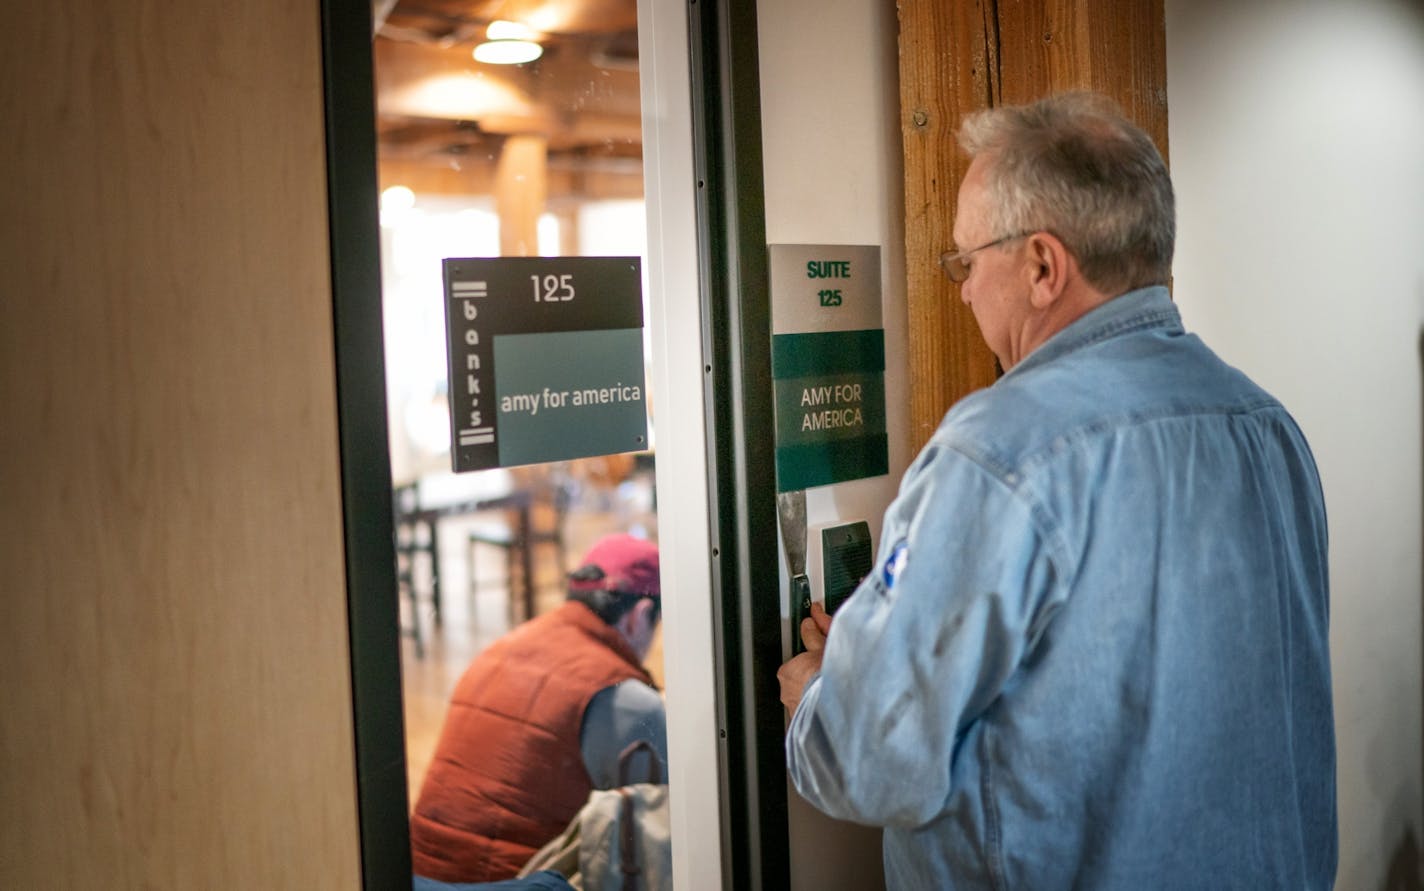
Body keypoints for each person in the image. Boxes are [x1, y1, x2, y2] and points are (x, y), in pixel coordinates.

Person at [777, 91, 1335, 889]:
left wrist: (820, 698)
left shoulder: (997, 451)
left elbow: (870, 760)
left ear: (1041, 265)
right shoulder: (1267, 427)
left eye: (968, 262)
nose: (964, 291)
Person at [412, 533, 666, 884]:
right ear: (640, 615)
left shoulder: (502, 648)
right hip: (507, 883)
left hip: (418, 878)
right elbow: (656, 827)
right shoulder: (621, 695)